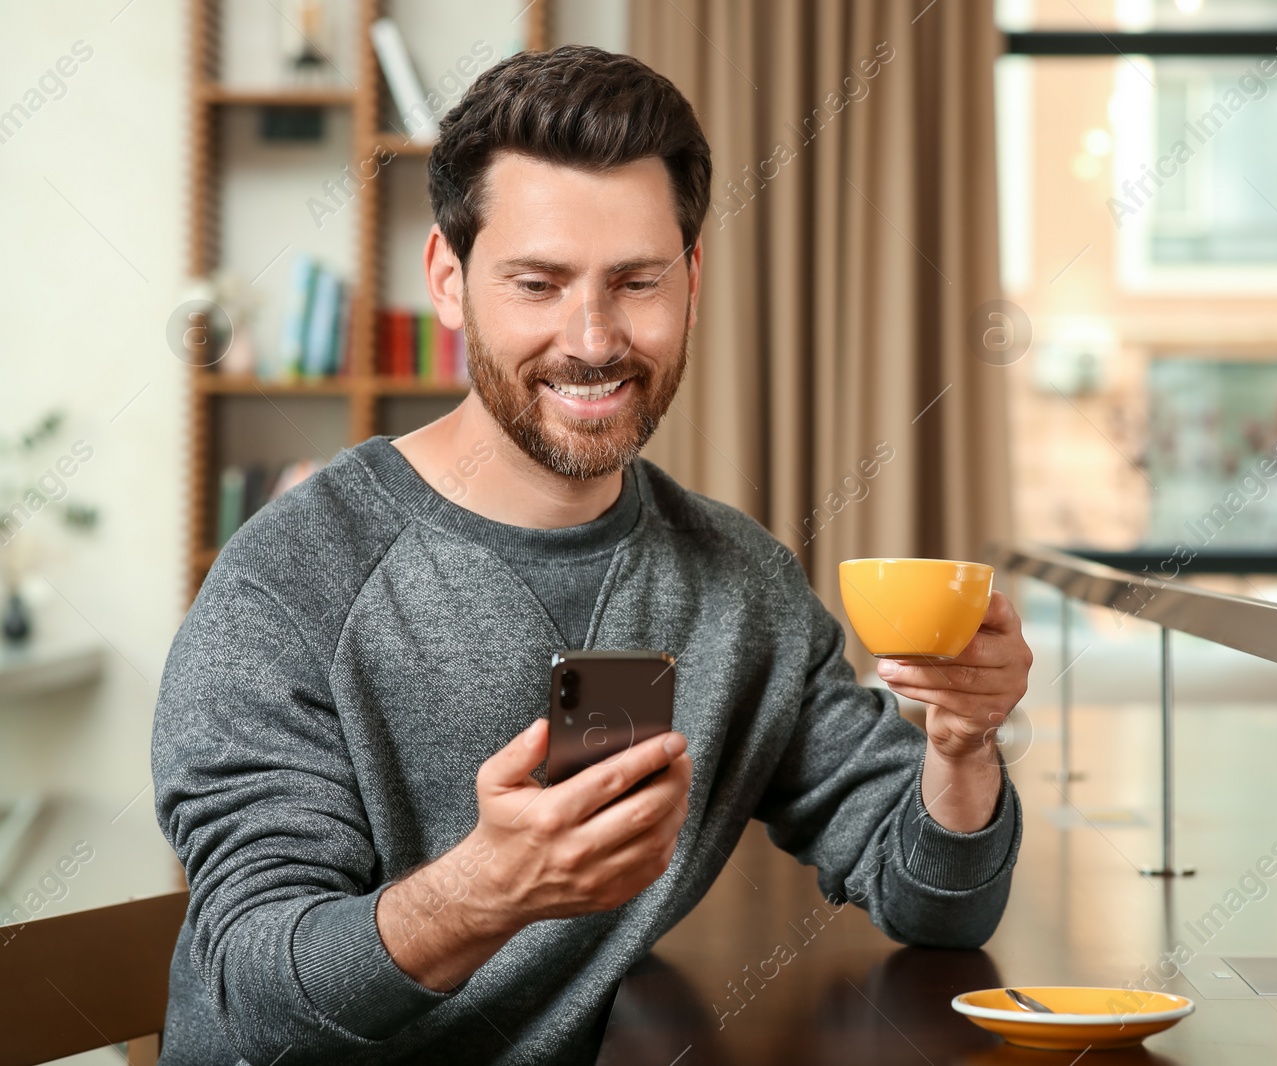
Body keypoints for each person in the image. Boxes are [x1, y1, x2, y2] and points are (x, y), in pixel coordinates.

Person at [152, 45, 1031, 1065]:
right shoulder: (289, 584)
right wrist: (484, 891)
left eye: (636, 281)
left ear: (692, 283)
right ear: (449, 280)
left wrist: (961, 744)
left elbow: (935, 900)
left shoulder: (739, 586)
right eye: (537, 281)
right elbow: (254, 992)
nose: (594, 337)